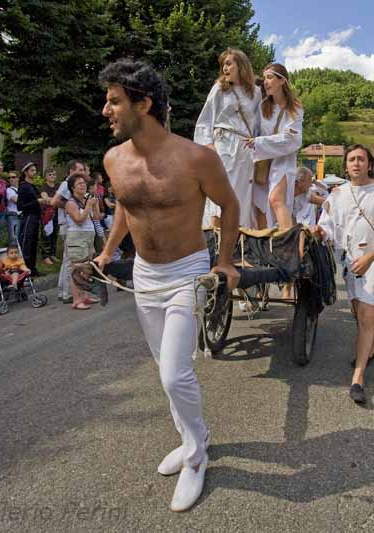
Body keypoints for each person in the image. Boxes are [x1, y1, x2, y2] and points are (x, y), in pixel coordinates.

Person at [94, 58, 241, 512]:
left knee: (174, 372)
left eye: (114, 101)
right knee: (165, 370)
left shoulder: (196, 157)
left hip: (187, 272)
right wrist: (107, 251)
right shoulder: (113, 159)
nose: (106, 110)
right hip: (144, 275)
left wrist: (223, 262)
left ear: (144, 103)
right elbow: (125, 206)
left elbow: (230, 206)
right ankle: (191, 437)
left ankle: (196, 458)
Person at [313, 145, 374, 405]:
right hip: (350, 262)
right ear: (345, 166)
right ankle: (370, 349)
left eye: (361, 159)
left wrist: (371, 257)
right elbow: (328, 225)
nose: (356, 163)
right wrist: (321, 233)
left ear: (369, 163)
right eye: (351, 159)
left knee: (366, 317)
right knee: (358, 314)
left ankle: (358, 377)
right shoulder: (337, 194)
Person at [194, 48, 260, 228]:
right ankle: (215, 244)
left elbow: (259, 125)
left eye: (229, 63)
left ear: (241, 65)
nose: (225, 68)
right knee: (220, 192)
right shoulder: (219, 89)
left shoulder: (255, 92)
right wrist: (209, 146)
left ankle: (238, 245)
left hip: (245, 148)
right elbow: (205, 120)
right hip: (223, 143)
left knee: (242, 195)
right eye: (223, 64)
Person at [248, 63, 304, 229]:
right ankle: (264, 249)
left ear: (282, 81)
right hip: (261, 162)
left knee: (276, 200)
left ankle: (287, 244)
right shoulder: (262, 106)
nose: (266, 82)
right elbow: (254, 130)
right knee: (260, 205)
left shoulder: (295, 108)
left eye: (270, 77)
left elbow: (293, 140)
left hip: (283, 161)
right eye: (264, 78)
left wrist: (261, 142)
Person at [52, 160, 88, 303]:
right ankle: (68, 293)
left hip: (69, 225)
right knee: (70, 261)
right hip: (68, 225)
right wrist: (69, 206)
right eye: (80, 169)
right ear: (72, 171)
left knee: (67, 260)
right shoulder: (66, 184)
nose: (83, 172)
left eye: (83, 170)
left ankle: (63, 291)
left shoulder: (70, 184)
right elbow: (54, 202)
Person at [64, 174, 100, 310]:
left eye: (84, 183)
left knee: (86, 267)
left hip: (88, 237)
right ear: (73, 187)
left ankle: (84, 296)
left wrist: (94, 205)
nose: (83, 185)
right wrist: (88, 206)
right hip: (77, 237)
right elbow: (79, 220)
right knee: (77, 268)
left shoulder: (86, 201)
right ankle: (76, 299)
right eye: (79, 184)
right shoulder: (70, 203)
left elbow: (96, 217)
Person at [17, 162, 47, 276]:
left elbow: (42, 196)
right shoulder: (24, 186)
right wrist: (36, 201)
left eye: (35, 170)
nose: (34, 172)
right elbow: (20, 206)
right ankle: (24, 269)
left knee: (34, 243)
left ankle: (32, 269)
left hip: (36, 217)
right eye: (32, 170)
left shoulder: (33, 186)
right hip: (28, 216)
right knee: (27, 243)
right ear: (25, 172)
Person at [39, 168, 59, 265]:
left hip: (57, 213)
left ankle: (52, 254)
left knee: (54, 233)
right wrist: (54, 200)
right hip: (46, 213)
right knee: (46, 234)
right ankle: (45, 256)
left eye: (54, 174)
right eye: (50, 174)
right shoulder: (44, 186)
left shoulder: (58, 186)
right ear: (46, 176)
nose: (52, 176)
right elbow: (45, 198)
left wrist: (53, 201)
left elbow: (60, 198)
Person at [5, 170, 21, 243]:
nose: (11, 179)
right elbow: (16, 200)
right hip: (13, 216)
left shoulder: (21, 189)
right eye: (9, 178)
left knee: (21, 239)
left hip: (22, 216)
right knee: (14, 239)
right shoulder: (9, 190)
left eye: (13, 177)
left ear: (18, 178)